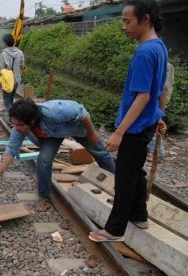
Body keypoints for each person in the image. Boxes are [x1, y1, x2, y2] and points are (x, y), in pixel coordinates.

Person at [89, 0, 168, 243]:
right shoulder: (159, 47)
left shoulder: (144, 52)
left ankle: (114, 230)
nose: (123, 26)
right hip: (147, 122)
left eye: (127, 21)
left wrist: (120, 131)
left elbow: (143, 95)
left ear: (145, 19)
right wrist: (159, 115)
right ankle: (139, 215)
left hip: (135, 126)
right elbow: (161, 88)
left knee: (124, 176)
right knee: (136, 170)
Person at [0, 98, 115, 212]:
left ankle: (117, 183)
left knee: (101, 154)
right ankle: (44, 197)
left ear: (31, 120)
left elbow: (81, 113)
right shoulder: (19, 128)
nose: (16, 128)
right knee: (43, 161)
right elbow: (11, 151)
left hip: (76, 127)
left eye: (19, 124)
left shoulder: (53, 111)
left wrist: (91, 133)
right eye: (14, 124)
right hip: (52, 135)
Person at [146, 62, 174, 163]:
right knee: (153, 124)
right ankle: (156, 153)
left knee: (154, 124)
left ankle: (157, 154)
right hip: (157, 100)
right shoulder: (165, 64)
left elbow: (164, 89)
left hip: (155, 101)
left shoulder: (163, 66)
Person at [0, 34, 25, 112]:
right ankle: (11, 112)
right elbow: (22, 66)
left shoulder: (3, 54)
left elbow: (1, 69)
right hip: (17, 79)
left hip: (7, 80)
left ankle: (12, 116)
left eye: (3, 42)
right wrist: (18, 77)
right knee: (11, 97)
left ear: (5, 43)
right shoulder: (20, 53)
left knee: (6, 99)